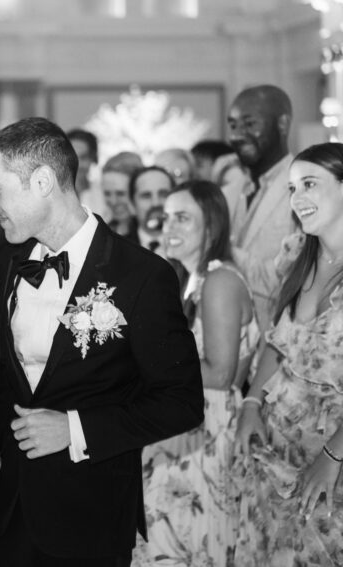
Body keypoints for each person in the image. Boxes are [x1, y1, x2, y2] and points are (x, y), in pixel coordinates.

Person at [0, 117, 204, 567]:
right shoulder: (12, 263)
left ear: (42, 182)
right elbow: (15, 380)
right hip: (11, 511)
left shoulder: (141, 275)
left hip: (91, 514)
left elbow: (182, 401)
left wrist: (75, 429)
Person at [234, 142, 343, 566]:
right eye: (293, 189)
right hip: (278, 446)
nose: (297, 200)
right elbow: (279, 342)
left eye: (310, 185)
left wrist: (332, 456)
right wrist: (251, 402)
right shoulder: (299, 252)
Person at [132, 181, 259, 566]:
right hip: (179, 435)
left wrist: (142, 358)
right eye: (165, 217)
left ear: (213, 227)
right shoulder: (189, 281)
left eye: (183, 218)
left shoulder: (220, 281)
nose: (168, 227)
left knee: (195, 548)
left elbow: (220, 374)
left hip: (207, 433)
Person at [227, 85, 298, 335]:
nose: (238, 135)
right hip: (233, 334)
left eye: (249, 124)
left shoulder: (301, 188)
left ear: (283, 124)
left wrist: (218, 247)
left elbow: (288, 280)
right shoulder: (231, 190)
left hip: (277, 340)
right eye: (233, 125)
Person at [126, 166, 175, 251]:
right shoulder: (117, 250)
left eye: (163, 194)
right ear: (131, 205)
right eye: (146, 196)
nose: (155, 203)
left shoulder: (193, 247)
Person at [67, 128, 110, 221]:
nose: (76, 164)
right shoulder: (48, 194)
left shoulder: (104, 194)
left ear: (93, 159)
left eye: (83, 157)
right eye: (72, 156)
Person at [102, 152, 144, 239]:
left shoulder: (148, 234)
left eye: (120, 194)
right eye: (107, 193)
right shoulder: (104, 230)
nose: (113, 201)